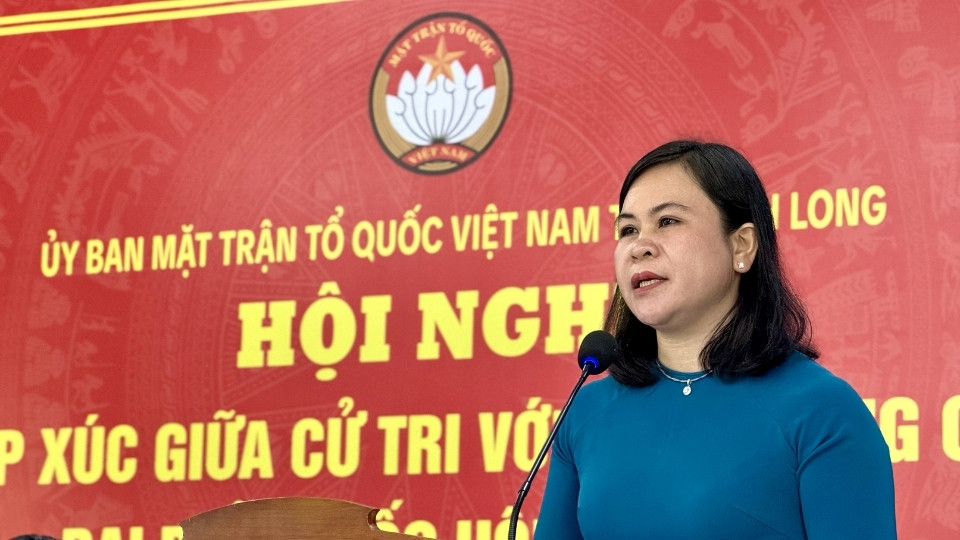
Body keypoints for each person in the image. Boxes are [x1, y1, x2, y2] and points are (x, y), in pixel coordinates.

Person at [534, 140, 896, 539]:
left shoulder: (821, 410)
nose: (639, 247)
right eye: (628, 230)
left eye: (667, 221)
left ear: (741, 245)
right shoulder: (586, 412)